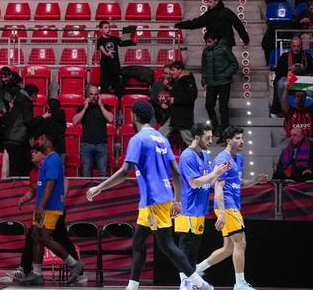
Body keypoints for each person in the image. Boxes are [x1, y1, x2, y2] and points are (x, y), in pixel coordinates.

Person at [87, 101, 214, 290]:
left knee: (167, 245)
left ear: (135, 116)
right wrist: (177, 200)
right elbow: (176, 173)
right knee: (139, 241)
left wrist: (99, 187)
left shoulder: (138, 139)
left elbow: (124, 171)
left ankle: (199, 283)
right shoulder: (161, 138)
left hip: (154, 199)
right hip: (156, 198)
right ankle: (132, 286)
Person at [195, 128, 269, 290]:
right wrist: (222, 213)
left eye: (242, 138)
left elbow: (239, 183)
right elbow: (219, 187)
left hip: (234, 206)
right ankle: (240, 284)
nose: (241, 141)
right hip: (227, 206)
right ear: (228, 140)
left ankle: (195, 271)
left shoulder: (239, 159)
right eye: (238, 138)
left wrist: (256, 180)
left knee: (228, 248)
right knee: (241, 243)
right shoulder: (222, 159)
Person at [10, 144, 85, 285]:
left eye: (36, 152)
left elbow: (60, 183)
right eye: (31, 151)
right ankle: (36, 273)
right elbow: (33, 190)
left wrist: (58, 199)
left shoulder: (51, 163)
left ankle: (74, 264)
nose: (32, 154)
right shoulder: (35, 171)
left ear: (43, 155)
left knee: (47, 238)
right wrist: (25, 199)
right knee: (35, 237)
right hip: (40, 208)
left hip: (49, 208)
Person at [175, 124, 232, 274]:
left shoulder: (205, 155)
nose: (210, 141)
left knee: (194, 249)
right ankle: (183, 281)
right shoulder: (187, 156)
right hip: (188, 208)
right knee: (185, 247)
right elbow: (194, 183)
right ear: (196, 137)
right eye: (208, 138)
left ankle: (191, 279)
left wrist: (219, 173)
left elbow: (209, 181)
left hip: (200, 208)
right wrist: (215, 173)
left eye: (212, 137)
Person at [175, 0, 250, 47]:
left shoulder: (225, 12)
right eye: (207, 2)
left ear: (217, 1)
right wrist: (179, 25)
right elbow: (194, 23)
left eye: (210, 2)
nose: (208, 4)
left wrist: (245, 39)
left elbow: (238, 24)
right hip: (217, 43)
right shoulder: (210, 14)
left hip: (223, 43)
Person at [201, 33, 239, 139]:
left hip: (224, 83)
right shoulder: (205, 52)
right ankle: (216, 127)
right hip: (212, 83)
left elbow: (234, 64)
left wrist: (225, 75)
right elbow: (204, 68)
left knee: (223, 107)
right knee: (209, 105)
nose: (207, 44)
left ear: (215, 40)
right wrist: (204, 81)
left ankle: (225, 132)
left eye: (209, 41)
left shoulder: (224, 49)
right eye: (206, 42)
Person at [72, 85, 115, 177]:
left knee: (103, 173)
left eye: (96, 94)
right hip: (86, 144)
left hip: (102, 145)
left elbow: (111, 119)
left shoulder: (105, 107)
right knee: (86, 172)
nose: (93, 96)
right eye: (91, 94)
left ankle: (102, 192)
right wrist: (85, 108)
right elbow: (75, 121)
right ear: (88, 95)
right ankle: (86, 192)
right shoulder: (82, 108)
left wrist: (101, 105)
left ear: (99, 95)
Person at [271, 36, 313, 114]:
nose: (296, 48)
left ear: (301, 46)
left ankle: (306, 112)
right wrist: (290, 70)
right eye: (294, 46)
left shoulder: (308, 57)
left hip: (303, 80)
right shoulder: (284, 56)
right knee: (281, 84)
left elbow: (311, 72)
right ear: (291, 46)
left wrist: (302, 70)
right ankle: (284, 108)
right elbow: (278, 73)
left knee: (310, 93)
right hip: (289, 79)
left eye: (298, 46)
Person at [163, 60, 198, 146]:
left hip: (183, 116)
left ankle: (201, 157)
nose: (171, 72)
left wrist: (174, 100)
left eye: (173, 70)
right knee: (160, 134)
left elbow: (190, 98)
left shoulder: (188, 81)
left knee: (189, 141)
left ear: (180, 70)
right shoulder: (178, 80)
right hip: (174, 115)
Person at [95, 20, 135, 95]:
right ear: (100, 30)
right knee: (104, 90)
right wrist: (108, 54)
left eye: (109, 27)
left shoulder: (114, 38)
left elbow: (123, 43)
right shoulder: (100, 40)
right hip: (105, 69)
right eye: (105, 27)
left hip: (115, 68)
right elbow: (103, 50)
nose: (108, 29)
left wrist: (132, 39)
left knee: (119, 90)